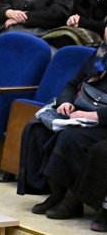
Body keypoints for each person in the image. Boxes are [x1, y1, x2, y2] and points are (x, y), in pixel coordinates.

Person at [18, 32, 107, 222]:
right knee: (37, 128)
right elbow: (72, 84)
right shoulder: (98, 54)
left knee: (70, 137)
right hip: (80, 113)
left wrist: (95, 116)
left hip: (102, 122)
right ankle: (56, 192)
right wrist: (66, 102)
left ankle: (73, 200)